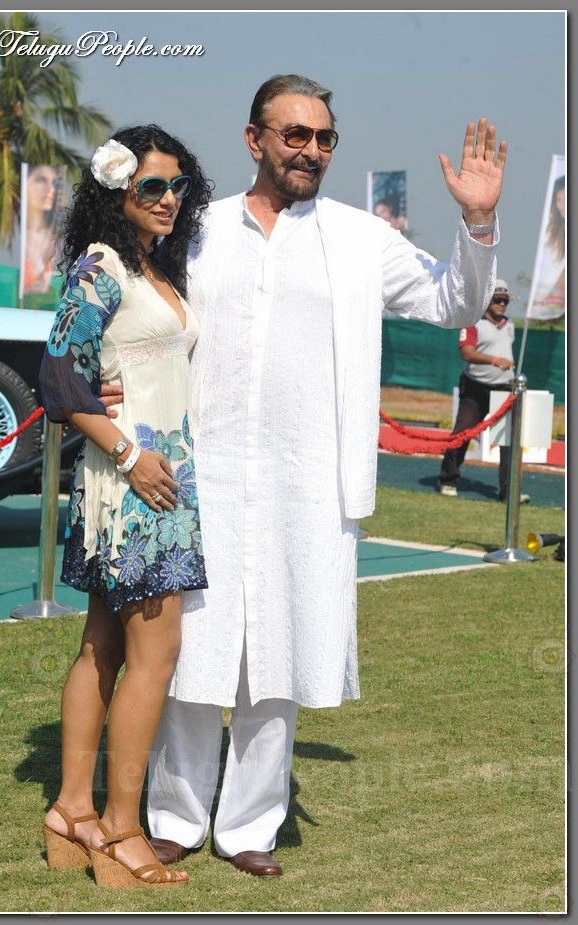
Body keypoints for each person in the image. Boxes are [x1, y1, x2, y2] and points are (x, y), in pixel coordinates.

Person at [102, 74, 506, 878]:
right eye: (295, 135)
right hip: (199, 476)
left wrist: (479, 219)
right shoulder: (198, 228)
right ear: (254, 139)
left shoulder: (361, 238)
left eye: (324, 138)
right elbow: (139, 314)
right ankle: (175, 815)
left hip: (310, 480)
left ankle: (250, 825)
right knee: (191, 650)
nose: (311, 151)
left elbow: (454, 300)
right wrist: (112, 381)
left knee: (281, 656)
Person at [38, 124, 211, 888]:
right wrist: (132, 456)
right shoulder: (104, 265)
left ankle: (71, 811)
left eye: (179, 185)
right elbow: (58, 376)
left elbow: (111, 371)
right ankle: (119, 829)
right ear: (119, 191)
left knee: (103, 647)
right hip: (136, 484)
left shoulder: (154, 267)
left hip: (154, 478)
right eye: (153, 186)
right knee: (153, 657)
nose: (169, 198)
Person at [437, 279, 529, 502]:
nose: (502, 304)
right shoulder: (472, 322)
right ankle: (448, 480)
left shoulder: (509, 324)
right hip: (475, 389)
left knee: (509, 441)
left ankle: (509, 492)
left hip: (504, 389)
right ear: (487, 300)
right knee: (462, 433)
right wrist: (494, 360)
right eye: (498, 299)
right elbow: (466, 352)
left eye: (505, 300)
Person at [23, 164, 61, 294]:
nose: (50, 189)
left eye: (53, 183)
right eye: (41, 180)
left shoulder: (54, 239)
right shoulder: (16, 237)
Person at [532, 174, 565, 316]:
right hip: (549, 299)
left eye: (565, 198)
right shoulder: (551, 230)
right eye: (558, 199)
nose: (562, 205)